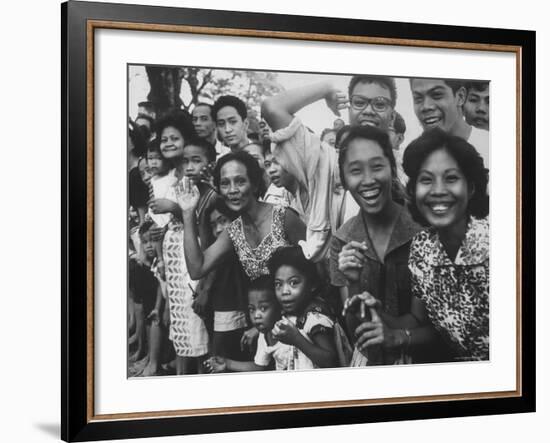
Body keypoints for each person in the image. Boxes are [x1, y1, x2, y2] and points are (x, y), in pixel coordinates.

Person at [262, 75, 398, 262]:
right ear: (349, 108)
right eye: (359, 103)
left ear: (392, 117)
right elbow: (272, 108)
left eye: (380, 104)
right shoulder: (324, 163)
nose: (368, 110)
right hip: (340, 284)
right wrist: (326, 89)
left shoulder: (408, 172)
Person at [329, 125, 422, 365]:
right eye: (356, 171)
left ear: (392, 168)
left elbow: (427, 322)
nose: (368, 180)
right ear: (344, 178)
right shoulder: (342, 240)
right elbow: (355, 330)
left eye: (377, 167)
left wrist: (393, 331)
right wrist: (353, 282)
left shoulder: (423, 229)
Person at [402, 128, 489, 361]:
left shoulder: (502, 244)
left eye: (451, 178)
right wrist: (391, 331)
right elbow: (420, 321)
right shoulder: (421, 247)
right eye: (426, 180)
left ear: (471, 188)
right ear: (414, 191)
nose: (438, 191)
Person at [175, 151, 306, 282]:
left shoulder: (283, 217)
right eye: (225, 183)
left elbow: (317, 263)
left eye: (240, 181)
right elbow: (197, 270)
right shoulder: (234, 232)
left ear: (254, 185)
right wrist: (188, 212)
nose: (232, 190)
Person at [149, 111, 209, 375]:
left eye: (175, 138)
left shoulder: (193, 172)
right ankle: (180, 378)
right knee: (179, 323)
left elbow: (197, 215)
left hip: (190, 256)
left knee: (193, 321)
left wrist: (172, 207)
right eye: (164, 139)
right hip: (173, 259)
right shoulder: (170, 175)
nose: (168, 143)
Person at [201, 196, 255, 361]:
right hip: (224, 310)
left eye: (222, 220)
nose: (217, 229)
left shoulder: (240, 246)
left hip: (234, 312)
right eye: (213, 225)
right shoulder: (219, 249)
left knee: (223, 354)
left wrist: (206, 290)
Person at [204, 275, 281, 372]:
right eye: (252, 309)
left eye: (263, 308)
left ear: (280, 307)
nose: (256, 315)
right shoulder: (264, 334)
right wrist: (227, 363)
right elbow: (260, 366)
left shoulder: (292, 331)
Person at [409, 77, 489, 168]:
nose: (426, 106)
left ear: (460, 97)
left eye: (437, 95)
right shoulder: (413, 157)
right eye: (418, 98)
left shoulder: (492, 147)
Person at [129, 221, 166, 376]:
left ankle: (153, 361)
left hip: (163, 305)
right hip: (151, 305)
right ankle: (148, 355)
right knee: (148, 312)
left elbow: (161, 286)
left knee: (153, 316)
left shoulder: (161, 261)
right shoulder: (147, 263)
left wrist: (157, 308)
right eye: (145, 242)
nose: (149, 245)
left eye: (152, 241)